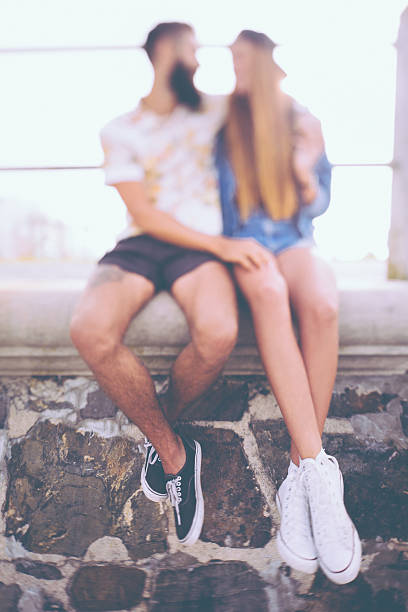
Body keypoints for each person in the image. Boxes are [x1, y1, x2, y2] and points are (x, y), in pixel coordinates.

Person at [70, 22, 271, 546]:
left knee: (219, 333)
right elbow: (142, 211)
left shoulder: (214, 110)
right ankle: (177, 455)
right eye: (192, 51)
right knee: (90, 330)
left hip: (199, 249)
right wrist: (225, 247)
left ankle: (160, 437)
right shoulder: (121, 128)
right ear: (164, 51)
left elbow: (271, 99)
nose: (200, 63)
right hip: (144, 242)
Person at [214, 29, 361, 584]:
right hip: (246, 245)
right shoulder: (221, 122)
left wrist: (304, 164)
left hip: (295, 240)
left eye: (242, 59)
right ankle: (321, 482)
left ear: (266, 61)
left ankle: (304, 473)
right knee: (271, 297)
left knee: (322, 305)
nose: (236, 69)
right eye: (231, 61)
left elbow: (319, 202)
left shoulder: (301, 119)